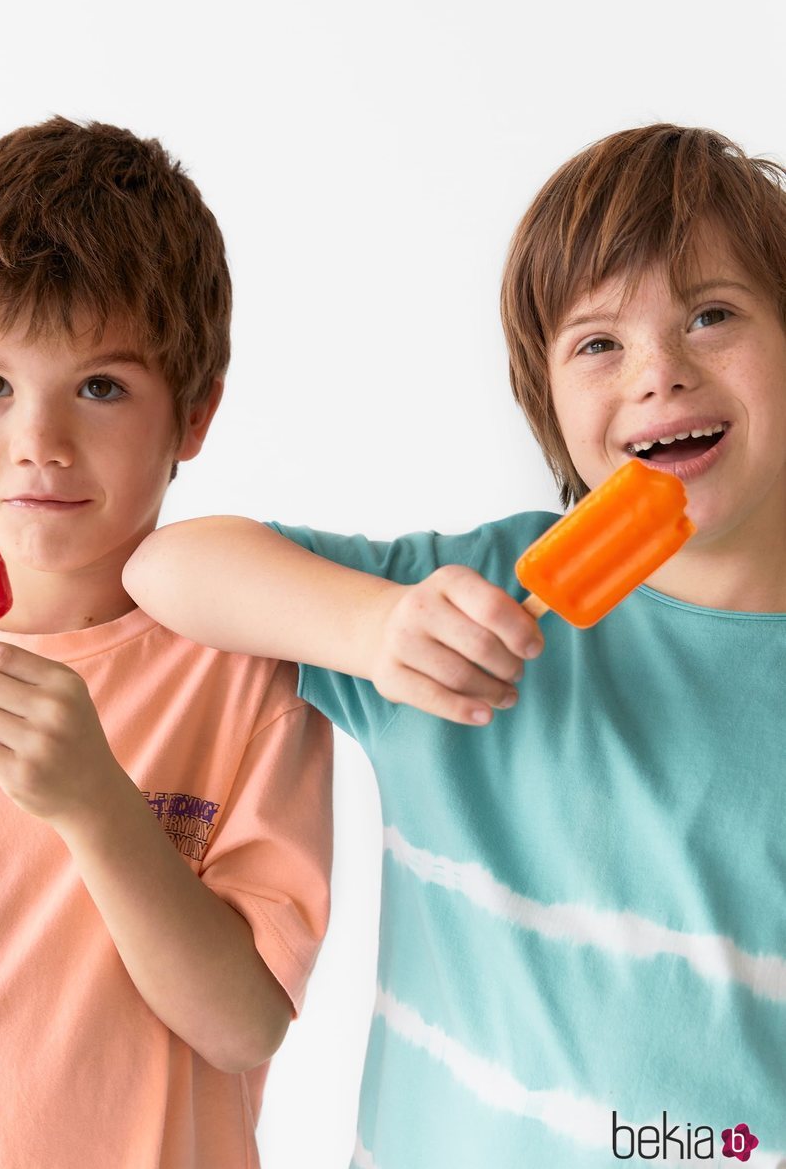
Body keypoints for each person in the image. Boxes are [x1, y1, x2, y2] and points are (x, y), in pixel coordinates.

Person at [125, 125, 786, 1167]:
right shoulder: (462, 603)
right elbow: (166, 569)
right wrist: (373, 629)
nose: (659, 371)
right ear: (544, 401)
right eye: (597, 343)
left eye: (710, 316)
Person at [0, 116, 332, 1169]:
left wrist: (98, 805)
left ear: (192, 414)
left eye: (99, 387)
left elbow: (244, 1025)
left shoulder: (251, 679)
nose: (38, 443)